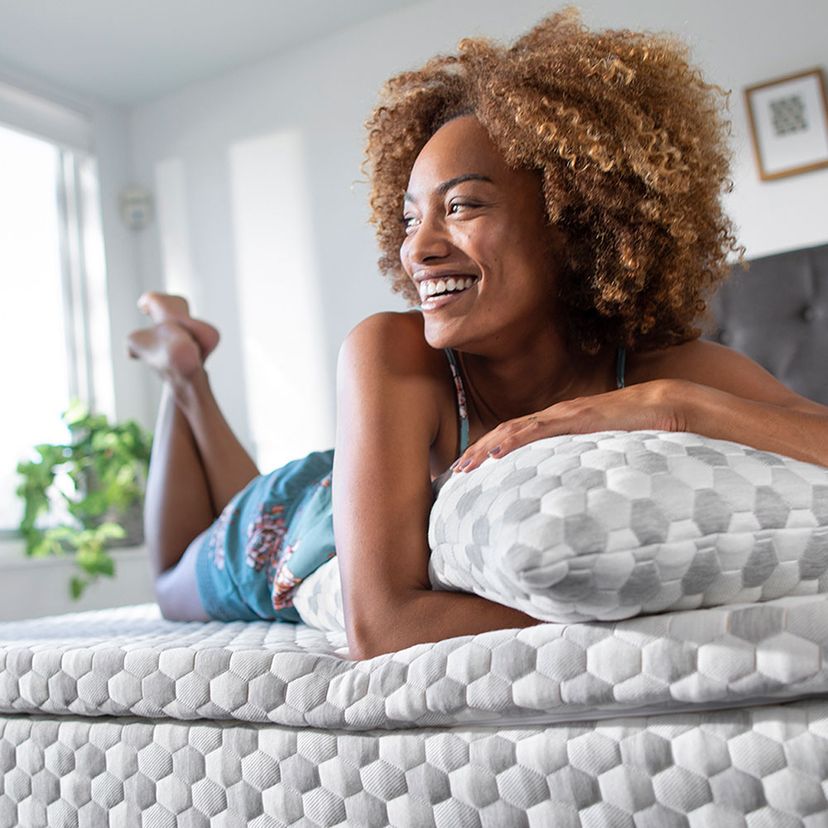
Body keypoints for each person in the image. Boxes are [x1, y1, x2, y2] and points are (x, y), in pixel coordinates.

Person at [128, 10, 828, 660]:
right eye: (410, 218)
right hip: (291, 520)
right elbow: (381, 625)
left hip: (365, 479)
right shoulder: (389, 350)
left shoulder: (663, 371)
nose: (417, 249)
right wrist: (629, 622)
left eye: (460, 206)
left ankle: (187, 367)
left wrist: (679, 405)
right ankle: (181, 373)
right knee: (168, 583)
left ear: (573, 223)